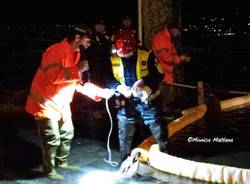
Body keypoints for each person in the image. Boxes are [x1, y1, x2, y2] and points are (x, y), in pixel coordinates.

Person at [25, 24, 114, 180]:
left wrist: (99, 92)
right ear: (78, 38)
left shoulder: (76, 53)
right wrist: (76, 69)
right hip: (45, 104)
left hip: (61, 102)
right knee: (52, 138)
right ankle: (49, 169)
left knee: (67, 132)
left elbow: (76, 83)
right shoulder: (54, 51)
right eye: (88, 38)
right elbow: (54, 76)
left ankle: (62, 162)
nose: (90, 42)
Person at [106, 29, 168, 162]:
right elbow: (107, 77)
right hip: (125, 100)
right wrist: (118, 87)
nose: (125, 56)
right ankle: (125, 162)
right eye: (123, 53)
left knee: (158, 130)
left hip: (148, 100)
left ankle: (167, 157)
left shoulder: (147, 55)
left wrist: (143, 81)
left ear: (134, 47)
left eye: (128, 53)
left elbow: (160, 74)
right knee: (125, 133)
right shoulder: (112, 58)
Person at [152, 22, 191, 119]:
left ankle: (165, 112)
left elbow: (171, 54)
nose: (179, 34)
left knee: (167, 95)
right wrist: (180, 59)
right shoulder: (162, 39)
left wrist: (180, 57)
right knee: (163, 95)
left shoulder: (167, 39)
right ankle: (162, 115)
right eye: (178, 31)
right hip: (162, 73)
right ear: (173, 29)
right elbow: (166, 57)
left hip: (167, 73)